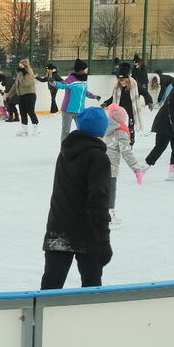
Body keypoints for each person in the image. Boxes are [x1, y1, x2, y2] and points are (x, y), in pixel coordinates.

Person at [40, 106, 112, 290]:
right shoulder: (98, 157)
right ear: (102, 129)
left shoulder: (65, 152)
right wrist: (104, 241)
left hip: (59, 229)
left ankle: (40, 319)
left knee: (50, 288)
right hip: (88, 233)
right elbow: (98, 202)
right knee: (91, 289)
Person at [103, 104, 145, 228]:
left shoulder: (103, 126)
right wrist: (137, 169)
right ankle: (109, 215)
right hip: (110, 168)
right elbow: (126, 152)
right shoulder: (121, 131)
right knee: (110, 190)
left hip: (96, 164)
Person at [54, 59, 101, 139]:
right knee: (66, 131)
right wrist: (55, 84)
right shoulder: (71, 79)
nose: (87, 69)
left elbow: (85, 92)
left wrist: (94, 96)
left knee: (82, 130)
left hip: (80, 110)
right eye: (86, 68)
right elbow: (63, 85)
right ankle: (64, 149)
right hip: (68, 110)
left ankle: (80, 147)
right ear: (81, 70)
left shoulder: (84, 79)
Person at [106, 62, 144, 143]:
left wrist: (149, 101)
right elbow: (113, 97)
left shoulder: (134, 84)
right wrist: (106, 103)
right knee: (117, 126)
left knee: (130, 126)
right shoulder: (117, 86)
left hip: (131, 110)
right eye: (120, 80)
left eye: (123, 80)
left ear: (127, 78)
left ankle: (131, 141)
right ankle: (117, 140)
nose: (121, 82)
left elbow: (145, 92)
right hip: (120, 111)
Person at [11, 59, 41, 136]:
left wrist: (19, 74)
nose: (19, 66)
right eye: (19, 64)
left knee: (30, 111)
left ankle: (36, 128)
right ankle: (24, 128)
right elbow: (15, 85)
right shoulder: (20, 74)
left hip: (30, 95)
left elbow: (24, 83)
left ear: (25, 65)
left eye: (21, 64)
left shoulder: (29, 74)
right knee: (23, 112)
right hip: (21, 95)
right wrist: (7, 95)